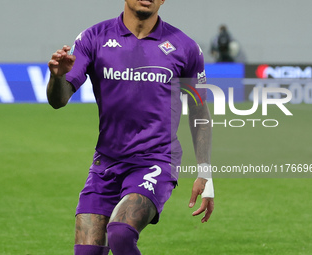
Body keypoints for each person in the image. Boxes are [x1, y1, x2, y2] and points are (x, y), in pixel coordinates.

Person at [47, 1, 214, 254]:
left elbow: (199, 111)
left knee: (121, 232)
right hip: (106, 162)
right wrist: (57, 77)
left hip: (156, 160)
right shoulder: (94, 38)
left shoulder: (185, 47)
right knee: (86, 252)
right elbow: (58, 101)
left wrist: (206, 172)